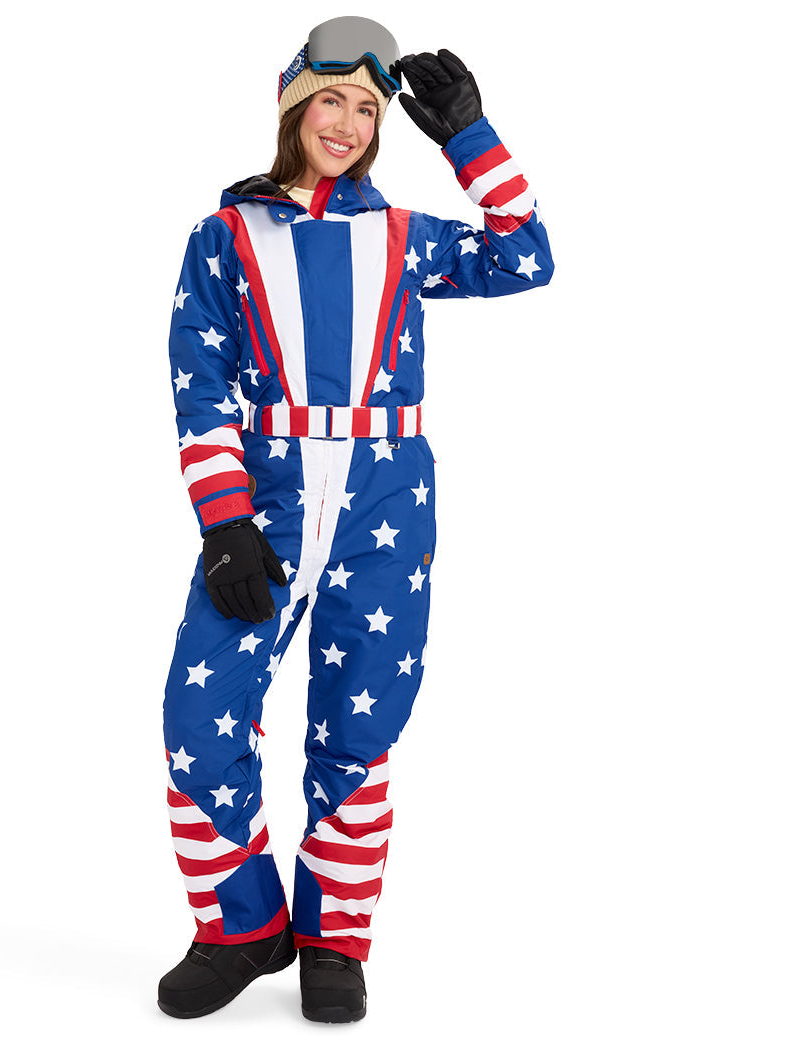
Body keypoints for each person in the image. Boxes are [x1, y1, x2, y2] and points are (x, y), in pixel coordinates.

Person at [157, 16, 554, 1024]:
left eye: (368, 110)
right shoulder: (225, 237)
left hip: (388, 501)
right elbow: (199, 382)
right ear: (295, 104)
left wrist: (472, 140)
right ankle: (242, 927)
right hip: (270, 504)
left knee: (360, 726)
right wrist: (224, 521)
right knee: (199, 724)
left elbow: (525, 256)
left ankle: (336, 939)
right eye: (331, 99)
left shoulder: (406, 238)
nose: (347, 123)